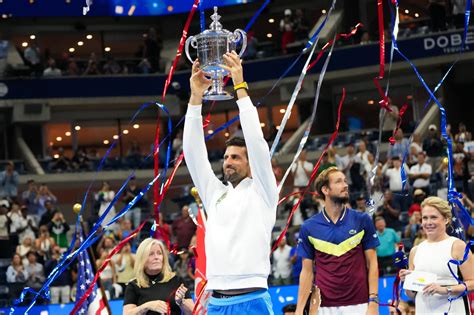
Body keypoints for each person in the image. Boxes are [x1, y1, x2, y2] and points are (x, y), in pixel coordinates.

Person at [183, 51, 277, 314]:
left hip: (253, 298)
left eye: (236, 157)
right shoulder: (215, 194)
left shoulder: (263, 191)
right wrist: (195, 97)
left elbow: (257, 145)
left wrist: (240, 87)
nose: (228, 161)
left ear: (249, 164)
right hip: (216, 302)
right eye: (226, 157)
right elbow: (192, 154)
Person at [296, 167, 379, 315]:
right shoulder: (309, 227)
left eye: (345, 181)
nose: (345, 185)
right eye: (339, 182)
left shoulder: (362, 220)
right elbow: (307, 272)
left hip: (360, 305)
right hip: (323, 307)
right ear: (325, 190)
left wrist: (373, 302)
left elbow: (372, 263)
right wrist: (299, 310)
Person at [399, 196, 474, 314]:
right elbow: (412, 295)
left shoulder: (458, 246)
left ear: (446, 219)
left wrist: (445, 290)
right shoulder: (415, 251)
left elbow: (472, 283)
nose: (428, 222)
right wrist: (407, 281)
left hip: (454, 309)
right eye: (425, 218)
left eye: (433, 217)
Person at [123, 238, 194, 315]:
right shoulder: (134, 285)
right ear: (142, 259)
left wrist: (182, 303)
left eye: (159, 253)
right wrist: (147, 306)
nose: (156, 257)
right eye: (151, 254)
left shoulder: (177, 281)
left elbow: (194, 312)